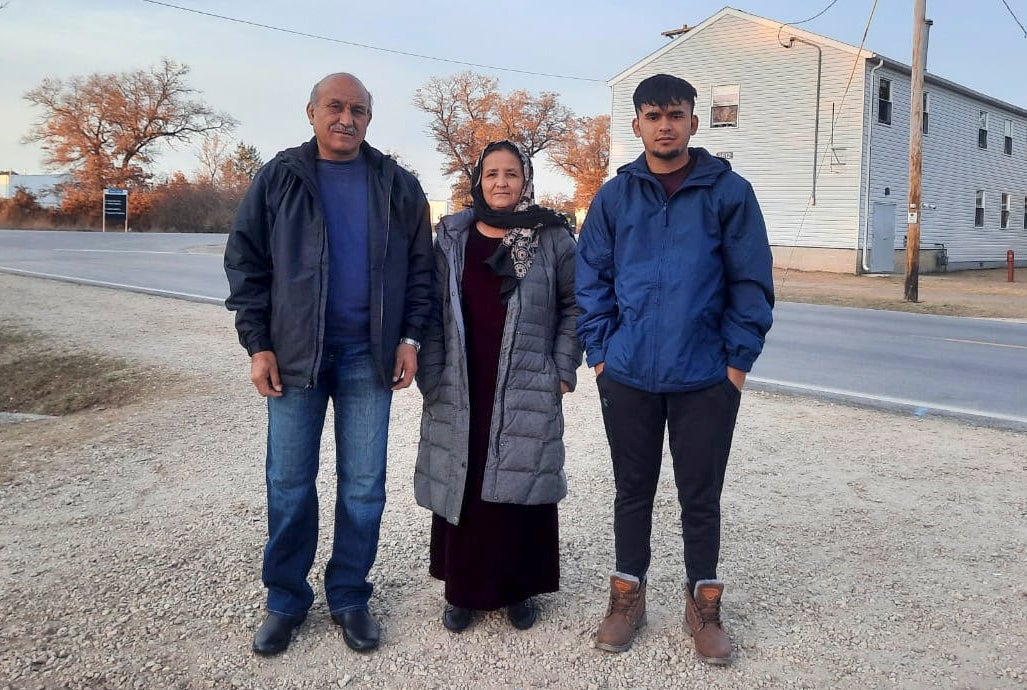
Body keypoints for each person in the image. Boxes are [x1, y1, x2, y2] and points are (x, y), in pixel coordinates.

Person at [224, 72, 433, 656]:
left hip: (370, 357)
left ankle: (349, 596)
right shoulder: (279, 179)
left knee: (364, 487)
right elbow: (246, 264)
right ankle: (285, 600)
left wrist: (411, 337)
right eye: (335, 107)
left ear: (370, 118)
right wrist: (257, 344)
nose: (347, 118)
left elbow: (422, 270)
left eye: (358, 110)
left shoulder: (397, 185)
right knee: (290, 484)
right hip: (294, 359)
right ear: (311, 112)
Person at [575, 73, 774, 664]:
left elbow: (752, 283)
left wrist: (735, 366)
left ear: (693, 121)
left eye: (677, 114)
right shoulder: (615, 197)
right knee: (632, 491)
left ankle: (703, 604)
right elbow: (592, 281)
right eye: (654, 115)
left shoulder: (728, 192)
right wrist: (603, 356)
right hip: (629, 373)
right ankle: (627, 596)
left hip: (705, 378)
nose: (666, 125)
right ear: (636, 124)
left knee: (700, 495)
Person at [414, 140, 582, 633]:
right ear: (477, 181)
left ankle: (518, 589)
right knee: (464, 482)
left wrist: (562, 367)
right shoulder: (452, 235)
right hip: (462, 378)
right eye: (492, 174)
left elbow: (575, 305)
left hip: (527, 377)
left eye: (512, 173)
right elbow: (431, 307)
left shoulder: (551, 237)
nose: (502, 182)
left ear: (525, 180)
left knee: (518, 477)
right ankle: (462, 591)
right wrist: (431, 370)